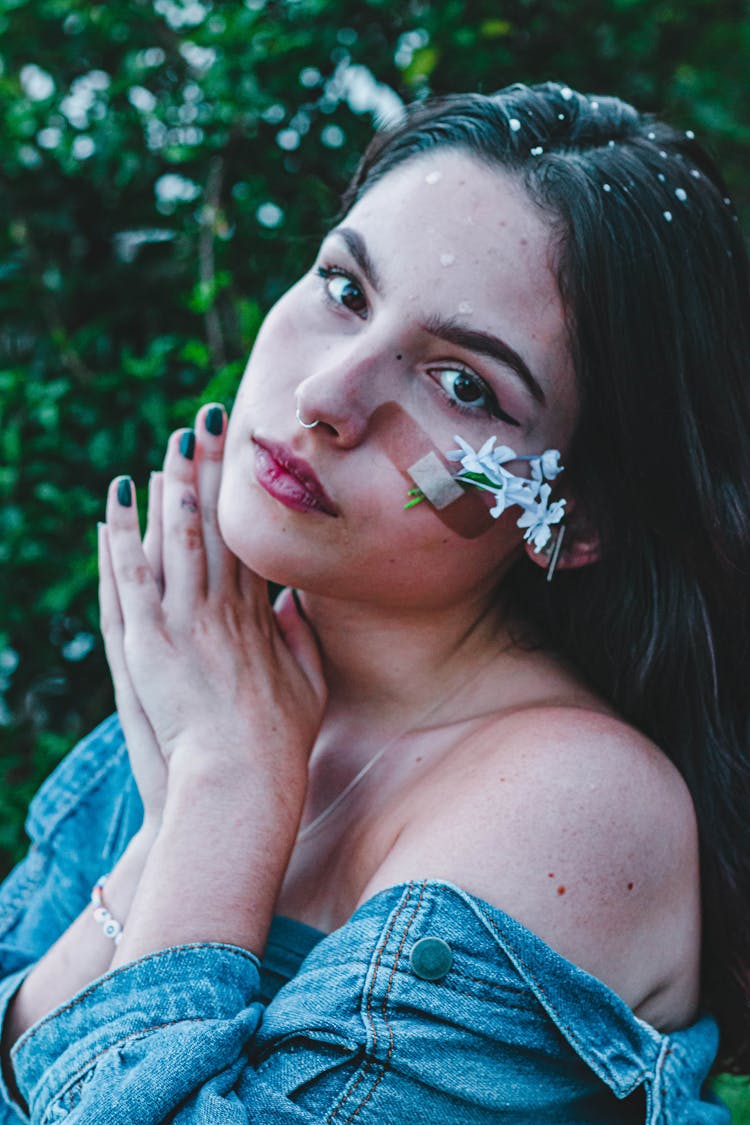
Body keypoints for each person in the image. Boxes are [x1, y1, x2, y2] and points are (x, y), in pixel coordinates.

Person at [0, 80, 748, 1123]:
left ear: (579, 526)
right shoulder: (227, 675)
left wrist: (219, 797)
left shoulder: (581, 806)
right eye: (346, 290)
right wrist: (184, 809)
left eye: (465, 385)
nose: (327, 398)